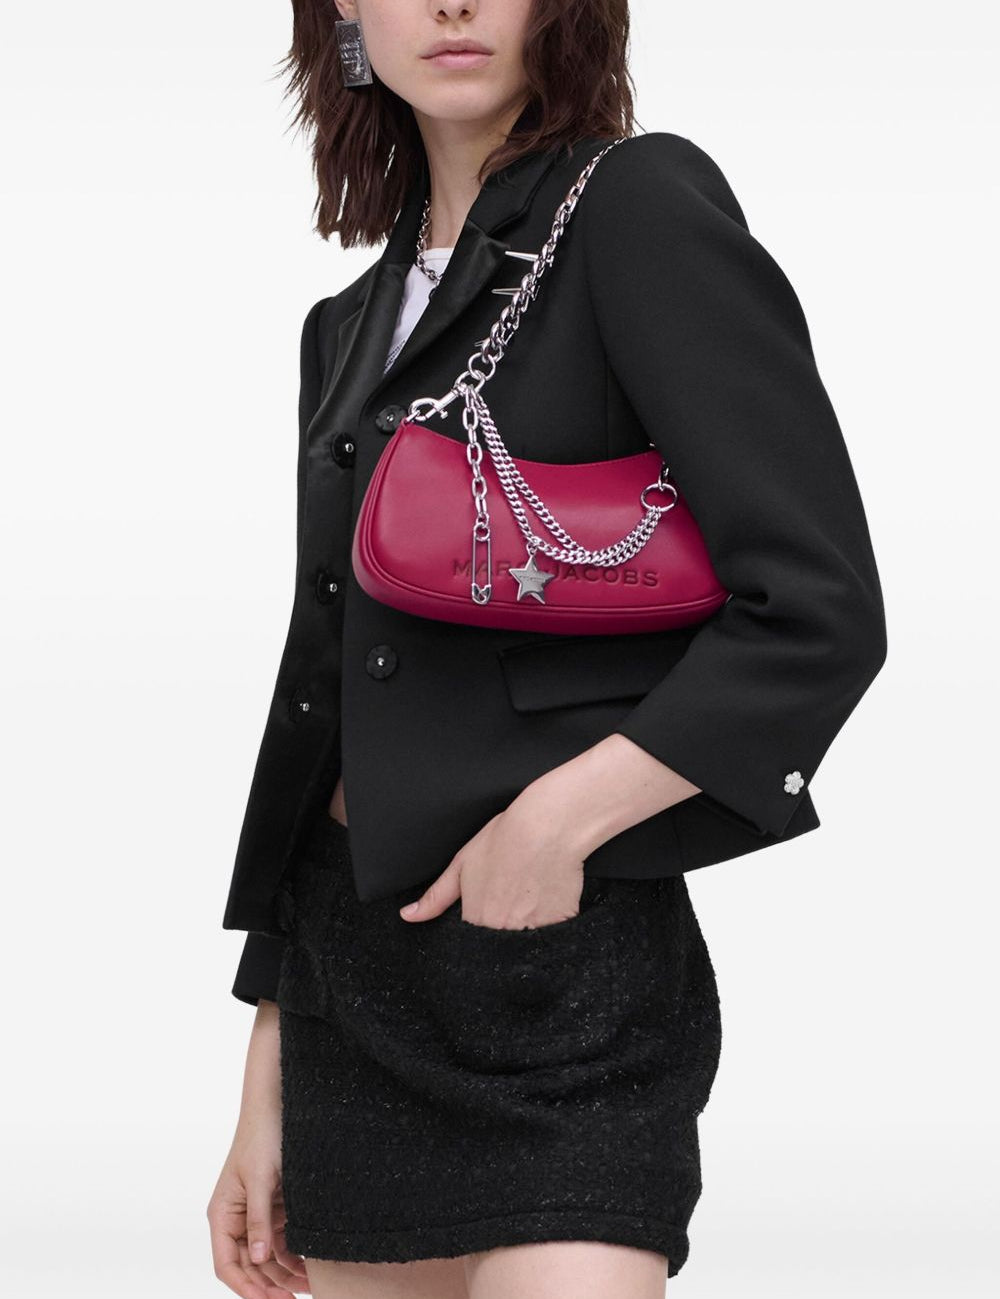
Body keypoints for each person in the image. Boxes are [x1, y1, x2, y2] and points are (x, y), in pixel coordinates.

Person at [206, 2, 888, 1297]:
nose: (453, 2)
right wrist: (268, 1066)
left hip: (566, 971)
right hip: (351, 983)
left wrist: (556, 825)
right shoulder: (346, 324)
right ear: (343, 10)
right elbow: (325, 709)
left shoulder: (634, 207)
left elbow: (817, 609)